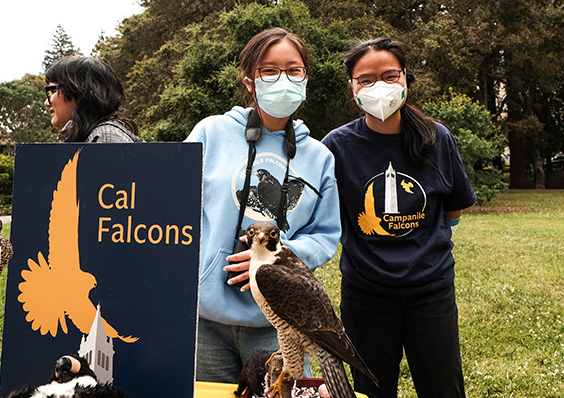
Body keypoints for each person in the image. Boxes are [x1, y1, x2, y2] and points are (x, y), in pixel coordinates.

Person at [184, 27, 342, 383]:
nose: (282, 78)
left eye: (293, 70)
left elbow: (326, 233)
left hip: (279, 322)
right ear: (249, 82)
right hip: (204, 321)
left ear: (305, 79)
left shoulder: (319, 156)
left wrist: (277, 259)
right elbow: (175, 208)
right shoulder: (210, 133)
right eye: (269, 70)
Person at [321, 38, 477, 398]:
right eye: (366, 79)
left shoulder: (437, 138)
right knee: (370, 391)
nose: (379, 87)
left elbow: (452, 208)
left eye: (390, 75)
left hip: (431, 293)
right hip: (366, 297)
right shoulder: (336, 146)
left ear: (406, 79)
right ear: (352, 87)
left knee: (443, 389)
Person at [44, 56, 143, 143]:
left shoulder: (106, 137)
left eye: (52, 91)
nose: (46, 103)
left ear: (79, 92)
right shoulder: (89, 137)